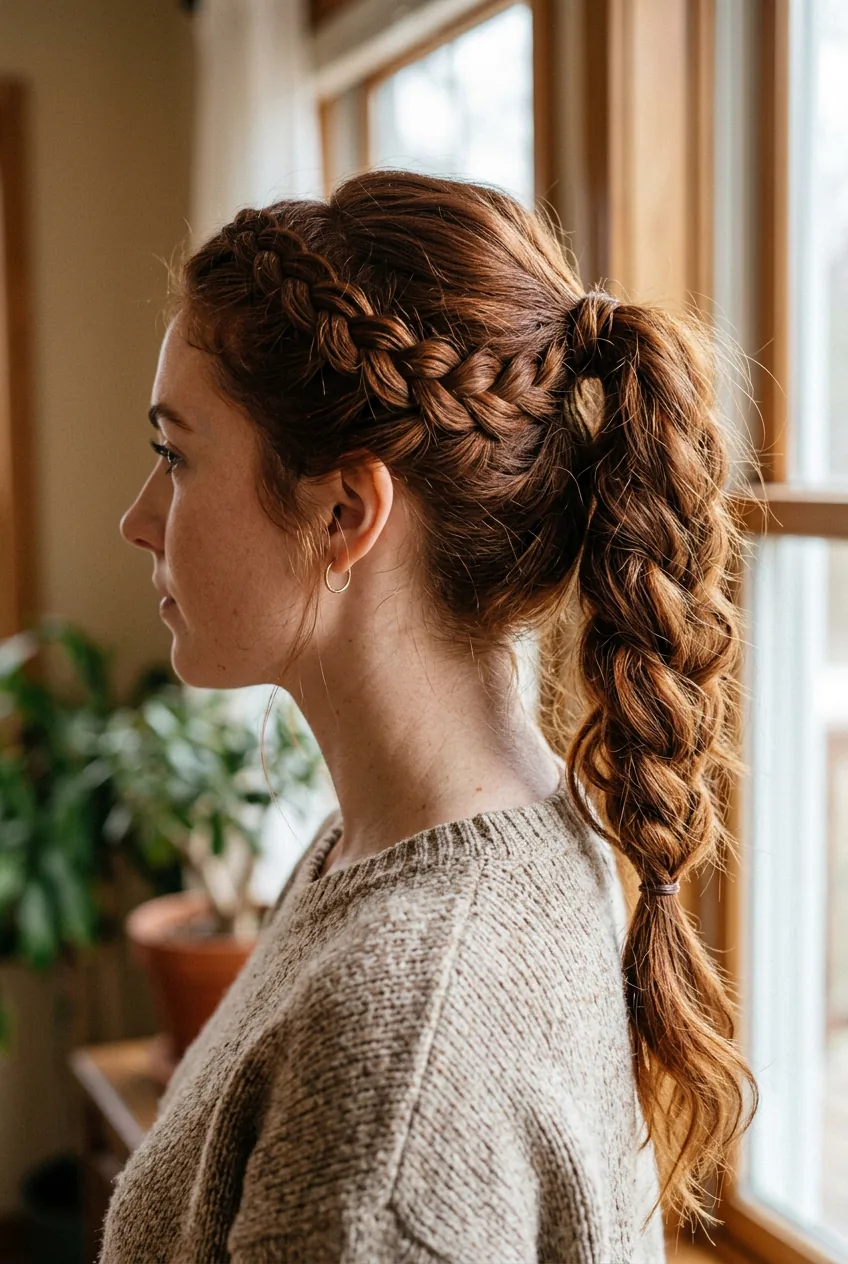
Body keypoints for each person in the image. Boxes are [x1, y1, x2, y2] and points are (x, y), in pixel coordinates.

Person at [104, 170, 757, 1262]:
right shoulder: (423, 838)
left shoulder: (393, 1080)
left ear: (345, 510)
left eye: (176, 454)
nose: (138, 518)